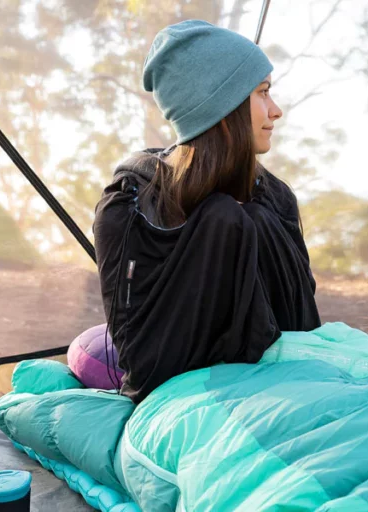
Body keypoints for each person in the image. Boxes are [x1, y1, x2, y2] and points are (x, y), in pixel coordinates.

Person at [93, 20, 322, 404]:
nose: (276, 110)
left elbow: (305, 326)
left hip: (295, 390)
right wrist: (223, 229)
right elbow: (143, 356)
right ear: (224, 106)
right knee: (225, 218)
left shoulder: (274, 198)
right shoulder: (130, 209)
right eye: (263, 93)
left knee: (252, 218)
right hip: (179, 403)